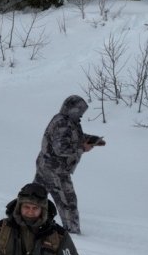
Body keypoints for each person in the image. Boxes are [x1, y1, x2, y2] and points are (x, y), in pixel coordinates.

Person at [33, 95, 104, 235]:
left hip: (46, 166)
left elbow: (73, 137)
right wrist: (83, 148)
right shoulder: (63, 123)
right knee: (68, 202)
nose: (81, 114)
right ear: (73, 109)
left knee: (35, 195)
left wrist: (91, 139)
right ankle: (72, 233)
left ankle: (21, 217)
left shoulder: (67, 120)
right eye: (80, 111)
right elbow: (61, 148)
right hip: (56, 170)